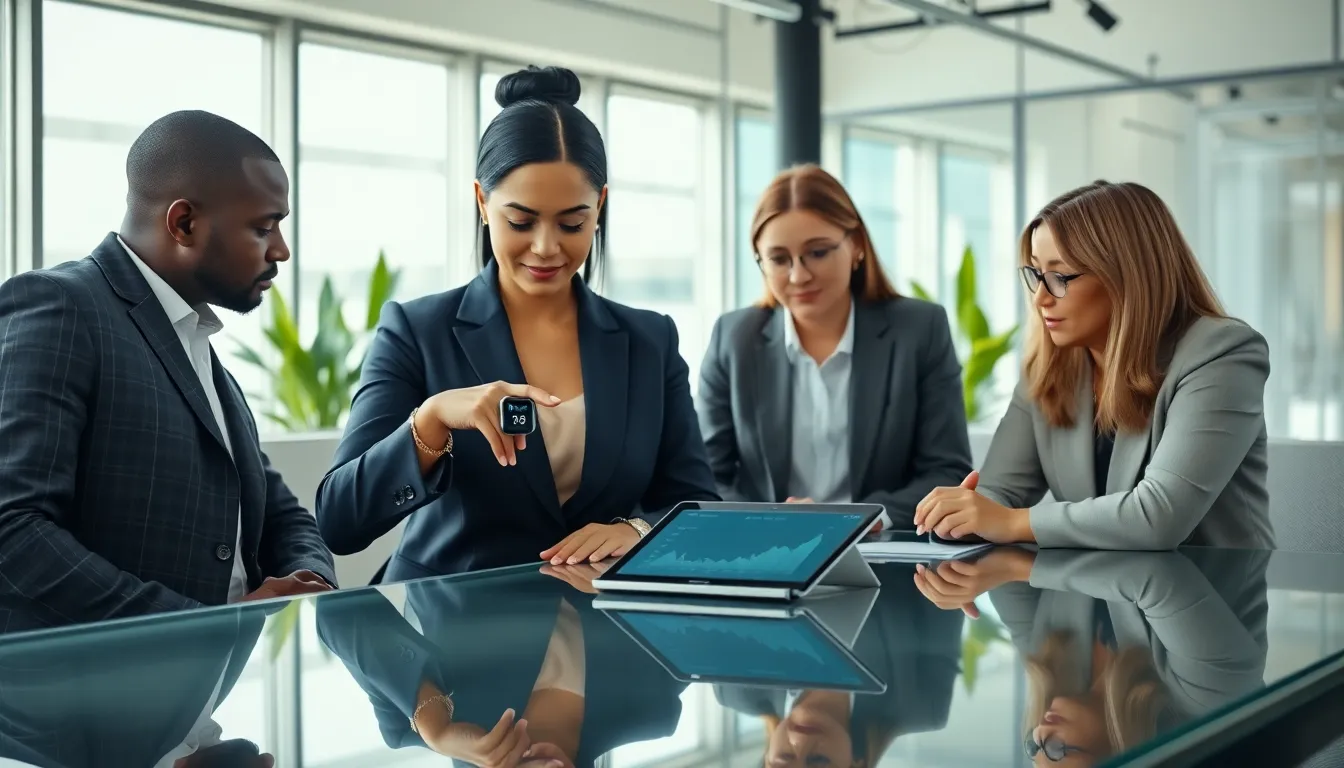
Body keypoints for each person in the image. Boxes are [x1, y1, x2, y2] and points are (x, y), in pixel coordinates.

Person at [315, 65, 718, 579]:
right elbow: (338, 521)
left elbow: (697, 506)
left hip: (598, 637)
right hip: (446, 637)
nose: (546, 247)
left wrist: (637, 531)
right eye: (520, 221)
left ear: (601, 206)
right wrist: (430, 422)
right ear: (483, 203)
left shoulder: (650, 340)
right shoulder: (417, 331)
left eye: (572, 223)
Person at [0, 110, 336, 631]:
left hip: (205, 695)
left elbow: (277, 511)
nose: (281, 250)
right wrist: (197, 628)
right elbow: (12, 532)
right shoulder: (59, 306)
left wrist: (308, 582)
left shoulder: (194, 336)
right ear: (183, 224)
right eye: (263, 227)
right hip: (87, 702)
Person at [914, 180, 1274, 550]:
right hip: (1090, 593)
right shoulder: (1049, 364)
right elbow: (1000, 492)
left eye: (1059, 277)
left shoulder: (1222, 353)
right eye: (1036, 274)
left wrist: (1007, 521)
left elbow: (1158, 518)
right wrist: (961, 516)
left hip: (1205, 596)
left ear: (1127, 276)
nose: (1040, 299)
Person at [696, 164, 971, 530]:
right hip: (766, 545)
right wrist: (769, 519)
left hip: (880, 551)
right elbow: (705, 476)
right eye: (779, 259)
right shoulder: (733, 338)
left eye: (818, 252)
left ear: (856, 245)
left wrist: (857, 519)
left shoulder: (919, 330)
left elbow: (946, 470)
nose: (799, 275)